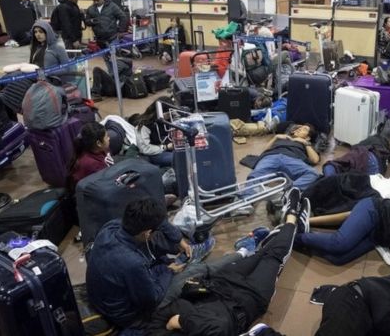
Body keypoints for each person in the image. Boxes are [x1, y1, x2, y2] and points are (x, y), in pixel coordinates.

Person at [87, 188, 309, 335]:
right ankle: (244, 250)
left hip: (123, 287)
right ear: (146, 232)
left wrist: (177, 240)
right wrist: (167, 270)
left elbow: (158, 225)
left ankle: (244, 251)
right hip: (133, 313)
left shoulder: (112, 227)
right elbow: (152, 298)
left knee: (179, 253)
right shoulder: (131, 263)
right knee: (191, 272)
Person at [246, 123, 320, 191]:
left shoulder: (306, 144)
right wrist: (275, 137)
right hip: (271, 156)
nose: (299, 129)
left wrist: (305, 143)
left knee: (313, 174)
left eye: (304, 129)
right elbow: (264, 151)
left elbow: (315, 160)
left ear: (308, 137)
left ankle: (286, 192)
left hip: (293, 160)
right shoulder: (282, 138)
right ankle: (246, 199)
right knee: (254, 176)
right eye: (298, 128)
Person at [66, 122, 114, 192]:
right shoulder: (91, 164)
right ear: (98, 143)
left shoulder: (100, 149)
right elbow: (103, 188)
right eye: (106, 137)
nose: (109, 138)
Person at [132, 100, 174, 167]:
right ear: (160, 112)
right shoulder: (144, 125)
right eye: (168, 114)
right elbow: (145, 149)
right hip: (155, 153)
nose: (170, 116)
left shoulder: (168, 118)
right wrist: (165, 147)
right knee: (177, 158)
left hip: (169, 147)